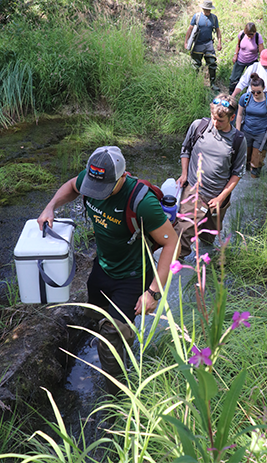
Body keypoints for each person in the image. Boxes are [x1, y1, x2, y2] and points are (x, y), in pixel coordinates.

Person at [37, 146, 179, 394]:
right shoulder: (90, 179)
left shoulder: (141, 202)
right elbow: (72, 186)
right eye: (93, 187)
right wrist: (50, 206)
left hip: (133, 276)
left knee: (111, 334)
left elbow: (172, 242)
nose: (96, 194)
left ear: (121, 177)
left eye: (103, 189)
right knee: (100, 323)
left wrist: (154, 292)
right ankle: (122, 350)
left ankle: (119, 397)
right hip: (102, 268)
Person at [175, 94, 247, 259]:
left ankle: (204, 268)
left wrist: (221, 198)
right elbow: (185, 149)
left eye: (221, 120)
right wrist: (184, 173)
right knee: (184, 231)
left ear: (232, 117)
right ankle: (174, 267)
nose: (216, 123)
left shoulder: (238, 140)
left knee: (209, 236)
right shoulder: (199, 126)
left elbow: (237, 173)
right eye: (214, 118)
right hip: (194, 190)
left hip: (217, 197)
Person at [235, 73, 267, 178]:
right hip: (246, 131)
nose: (255, 94)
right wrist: (237, 131)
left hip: (261, 134)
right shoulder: (245, 98)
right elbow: (239, 115)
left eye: (258, 92)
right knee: (244, 159)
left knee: (256, 163)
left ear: (264, 88)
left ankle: (254, 183)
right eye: (253, 91)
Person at [231, 49, 267, 113]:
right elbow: (242, 83)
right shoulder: (254, 67)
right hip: (251, 101)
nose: (265, 65)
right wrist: (233, 96)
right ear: (260, 58)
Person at [184, 0, 222, 90]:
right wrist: (186, 42)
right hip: (198, 44)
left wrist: (219, 42)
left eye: (209, 10)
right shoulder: (197, 16)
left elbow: (218, 30)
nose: (208, 11)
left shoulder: (214, 18)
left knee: (212, 62)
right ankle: (193, 84)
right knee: (195, 65)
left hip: (209, 43)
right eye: (206, 9)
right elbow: (190, 29)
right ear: (203, 8)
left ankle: (212, 84)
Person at [229, 22, 264, 95]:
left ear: (254, 32)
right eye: (248, 34)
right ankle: (231, 96)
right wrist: (235, 55)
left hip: (252, 61)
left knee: (253, 80)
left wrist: (261, 63)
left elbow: (262, 52)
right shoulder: (241, 34)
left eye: (251, 34)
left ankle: (249, 96)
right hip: (240, 60)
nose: (249, 36)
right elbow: (238, 45)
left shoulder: (258, 37)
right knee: (233, 79)